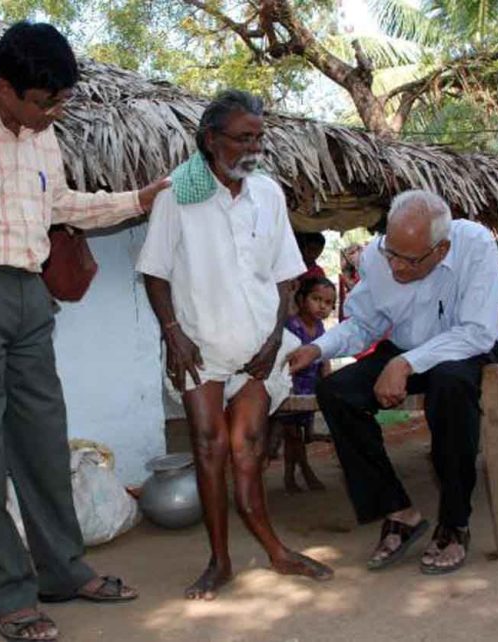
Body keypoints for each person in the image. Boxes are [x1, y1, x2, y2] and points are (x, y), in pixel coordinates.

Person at [0, 22, 170, 642]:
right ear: (2, 86)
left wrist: (137, 200)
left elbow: (61, 205)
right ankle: (8, 593)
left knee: (43, 435)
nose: (50, 115)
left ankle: (62, 571)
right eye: (42, 103)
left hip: (26, 290)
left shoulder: (42, 133)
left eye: (60, 102)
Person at [137, 89, 333, 601]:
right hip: (199, 347)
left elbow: (287, 277)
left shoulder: (267, 193)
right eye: (244, 138)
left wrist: (273, 339)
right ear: (210, 139)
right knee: (209, 447)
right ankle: (219, 561)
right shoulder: (177, 193)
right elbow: (155, 274)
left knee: (247, 450)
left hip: (257, 348)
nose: (254, 147)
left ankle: (276, 551)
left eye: (259, 137)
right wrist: (173, 336)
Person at [288, 190, 498, 575]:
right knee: (336, 392)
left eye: (410, 260)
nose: (397, 268)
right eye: (392, 253)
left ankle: (455, 522)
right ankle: (399, 512)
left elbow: (477, 330)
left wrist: (406, 363)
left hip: (466, 348)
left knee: (450, 386)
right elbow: (364, 324)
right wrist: (317, 349)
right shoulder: (377, 256)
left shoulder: (475, 244)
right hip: (406, 347)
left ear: (442, 249)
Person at [280, 277, 335, 493]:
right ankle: (300, 472)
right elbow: (285, 359)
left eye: (329, 303)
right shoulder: (291, 326)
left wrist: (327, 381)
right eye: (316, 299)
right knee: (292, 435)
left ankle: (293, 474)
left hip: (309, 390)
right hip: (291, 388)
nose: (322, 306)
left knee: (299, 435)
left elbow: (324, 357)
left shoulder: (320, 328)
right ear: (301, 300)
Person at [338, 243, 362, 322]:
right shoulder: (347, 275)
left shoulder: (367, 271)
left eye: (352, 253)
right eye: (347, 254)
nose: (350, 256)